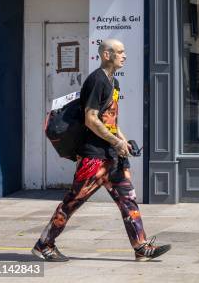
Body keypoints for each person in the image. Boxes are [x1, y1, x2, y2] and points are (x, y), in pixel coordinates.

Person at [32, 39, 171, 262]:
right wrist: (116, 143)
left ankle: (141, 247)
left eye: (124, 52)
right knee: (73, 202)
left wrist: (123, 141)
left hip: (113, 157)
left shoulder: (114, 83)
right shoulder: (97, 80)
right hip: (94, 158)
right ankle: (44, 244)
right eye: (120, 52)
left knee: (128, 200)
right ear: (106, 55)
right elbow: (90, 119)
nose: (124, 56)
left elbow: (110, 121)